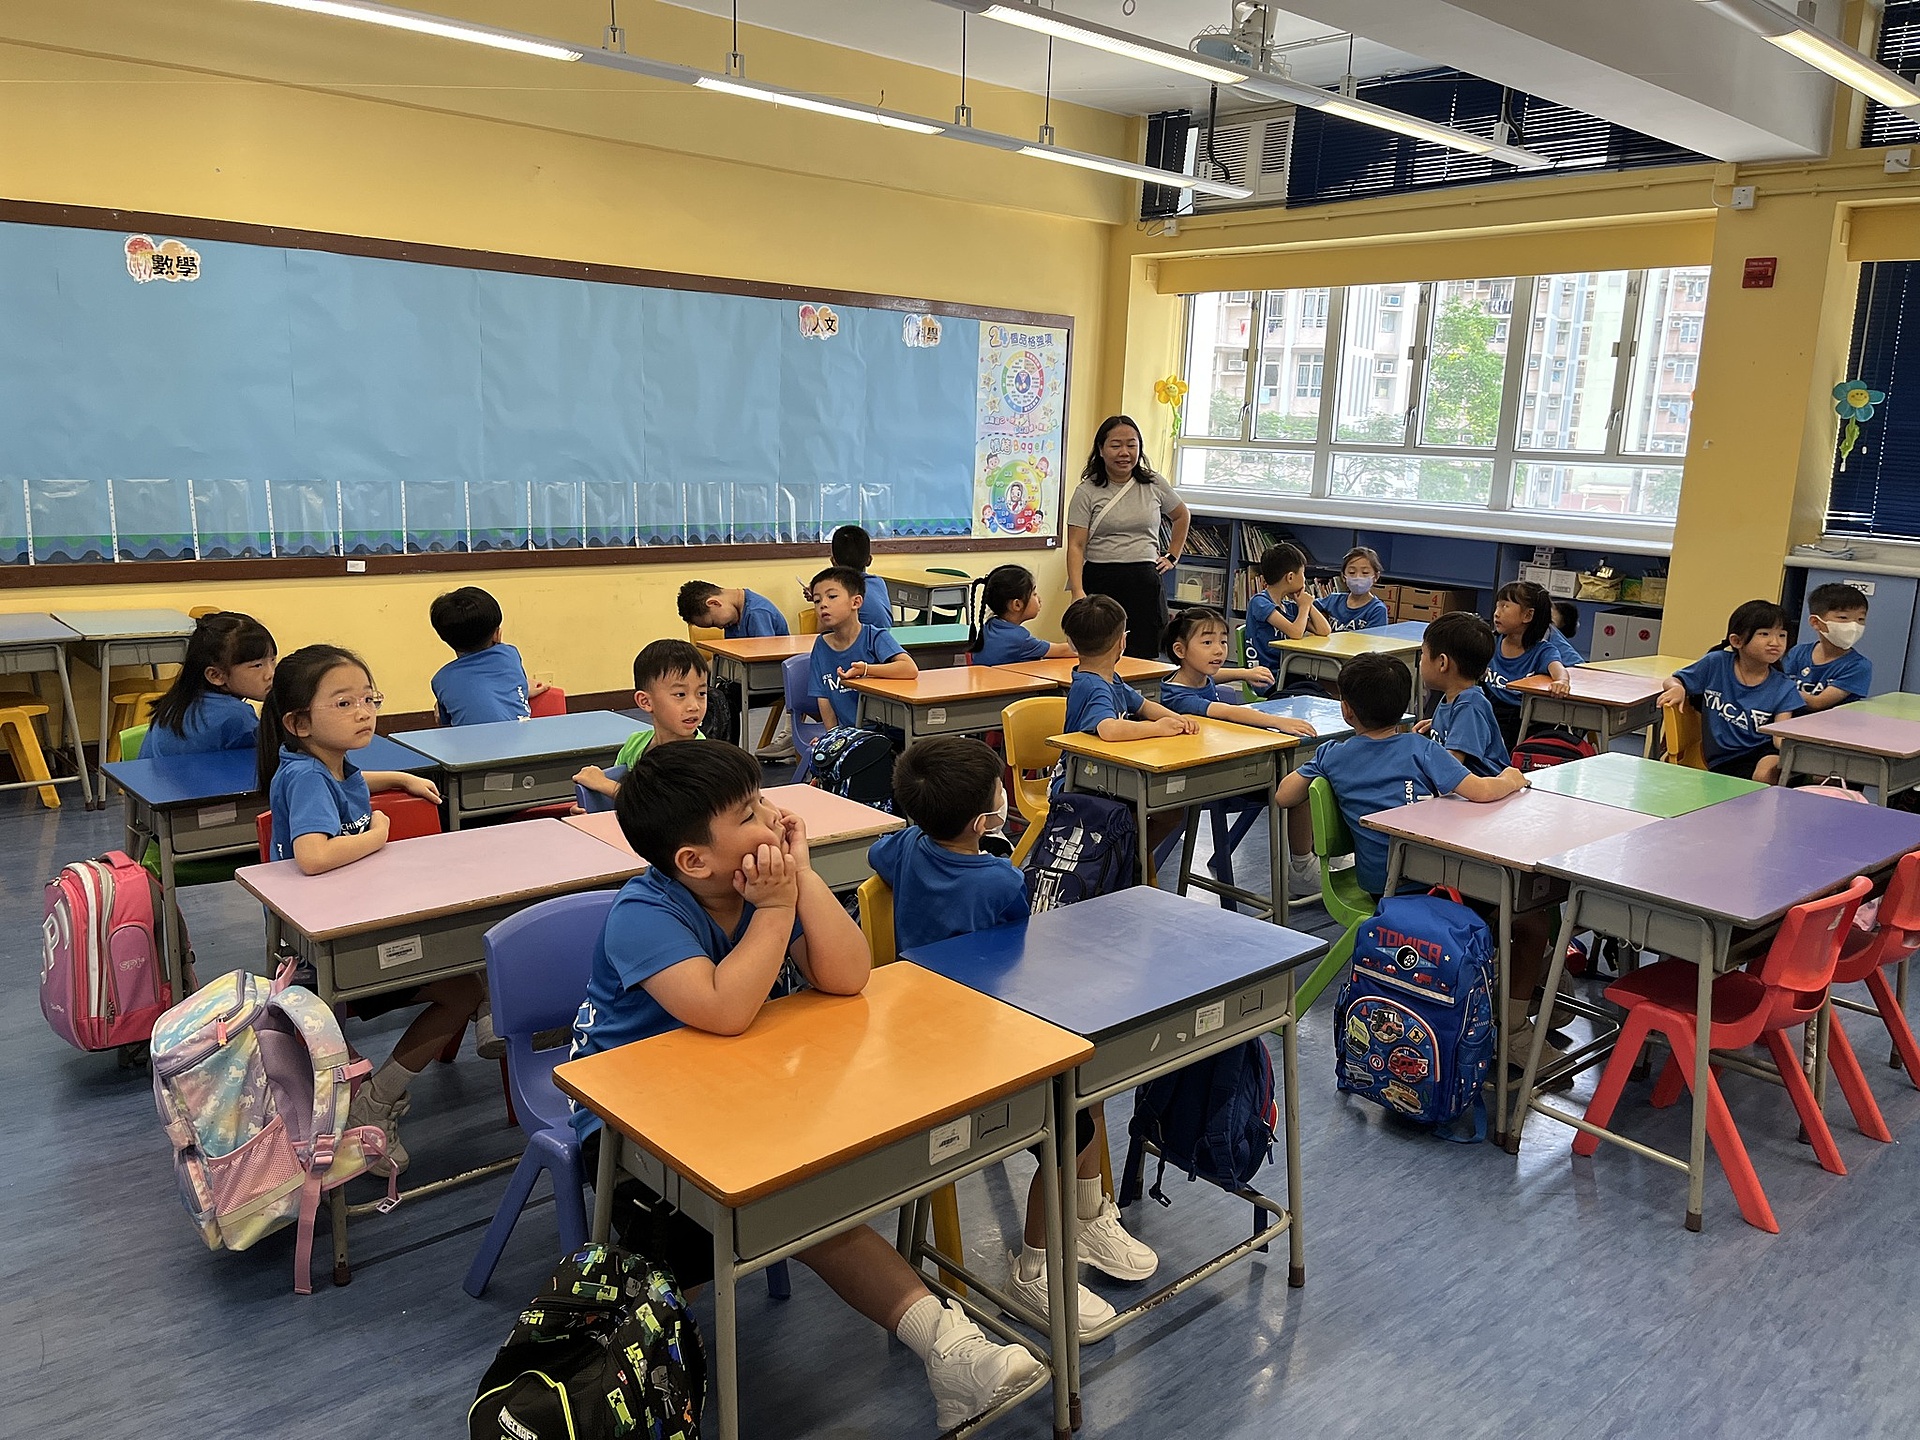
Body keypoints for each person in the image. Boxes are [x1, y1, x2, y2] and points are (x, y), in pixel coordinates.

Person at [568, 742, 1042, 1430]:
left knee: (806, 1199)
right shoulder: (645, 912)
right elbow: (725, 1009)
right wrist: (775, 906)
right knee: (695, 1255)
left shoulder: (756, 887)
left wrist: (803, 879)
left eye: (761, 798)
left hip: (737, 1090)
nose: (772, 817)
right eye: (748, 814)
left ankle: (951, 1351)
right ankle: (630, 1380)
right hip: (628, 1123)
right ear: (694, 861)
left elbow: (848, 976)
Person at [871, 736, 1158, 1336]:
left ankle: (1085, 1217)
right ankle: (1033, 1267)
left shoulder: (907, 847)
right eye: (999, 790)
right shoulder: (1000, 882)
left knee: (1084, 1072)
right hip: (973, 1044)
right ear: (984, 820)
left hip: (920, 1029)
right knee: (1075, 1115)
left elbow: (880, 852)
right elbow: (1018, 948)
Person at [258, 644, 478, 1175]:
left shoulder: (325, 766)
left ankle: (493, 1015)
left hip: (358, 923)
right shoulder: (306, 777)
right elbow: (314, 856)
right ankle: (376, 1103)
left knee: (473, 950)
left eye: (368, 699)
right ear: (298, 723)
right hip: (331, 952)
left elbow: (350, 784)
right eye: (344, 703)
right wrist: (378, 834)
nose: (363, 712)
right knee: (466, 981)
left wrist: (398, 779)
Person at [1274, 655, 1557, 1064]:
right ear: (1405, 704)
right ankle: (1513, 1030)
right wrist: (1511, 778)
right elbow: (1481, 792)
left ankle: (1521, 998)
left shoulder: (1333, 754)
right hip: (1428, 886)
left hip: (1379, 883)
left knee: (1514, 910)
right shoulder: (1419, 748)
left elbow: (1284, 796)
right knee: (1532, 918)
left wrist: (1317, 770)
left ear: (1346, 710)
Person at [1059, 595, 1196, 851]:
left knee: (1171, 813)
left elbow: (1143, 705)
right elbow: (1109, 729)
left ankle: (1129, 862)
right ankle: (1126, 862)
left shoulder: (1111, 679)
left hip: (1107, 775)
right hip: (1080, 782)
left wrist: (1176, 719)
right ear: (1122, 641)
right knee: (1147, 815)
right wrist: (1157, 729)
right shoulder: (1094, 686)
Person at [1065, 415, 1189, 661]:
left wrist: (1172, 555)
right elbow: (1076, 545)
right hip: (1101, 581)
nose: (1124, 452)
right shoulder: (1086, 491)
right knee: (1099, 653)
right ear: (1101, 449)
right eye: (1116, 445)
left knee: (1143, 655)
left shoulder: (1154, 483)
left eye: (1132, 445)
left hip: (1144, 582)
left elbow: (1181, 515)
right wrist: (1077, 591)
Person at [1659, 600, 1802, 782]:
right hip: (1723, 760)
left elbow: (1778, 739)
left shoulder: (1784, 686)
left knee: (1765, 773)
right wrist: (1677, 688)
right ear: (1736, 641)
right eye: (1764, 634)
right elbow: (1674, 679)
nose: (1775, 642)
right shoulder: (1715, 663)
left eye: (1782, 635)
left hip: (1762, 751)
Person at [575, 640, 708, 799]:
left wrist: (604, 785)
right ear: (646, 702)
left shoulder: (701, 755)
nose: (694, 706)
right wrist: (594, 806)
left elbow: (662, 806)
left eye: (701, 693)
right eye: (680, 694)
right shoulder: (635, 744)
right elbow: (620, 797)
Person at [143, 611, 276, 758]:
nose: (271, 674)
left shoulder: (177, 701)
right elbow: (267, 763)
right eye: (257, 665)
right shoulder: (237, 716)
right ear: (216, 675)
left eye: (272, 660)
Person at [808, 566, 918, 726]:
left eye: (832, 597)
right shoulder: (821, 645)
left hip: (883, 729)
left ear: (856, 602)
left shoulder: (874, 637)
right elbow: (823, 697)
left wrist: (866, 670)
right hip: (850, 734)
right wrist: (831, 735)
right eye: (817, 600)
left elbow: (909, 669)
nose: (823, 604)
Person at [428, 585, 548, 726]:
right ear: (497, 635)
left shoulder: (441, 679)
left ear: (444, 638)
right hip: (523, 738)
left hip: (474, 741)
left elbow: (442, 720)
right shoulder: (510, 655)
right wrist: (523, 689)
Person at [1414, 611, 1511, 777]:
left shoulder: (1469, 705)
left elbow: (1450, 769)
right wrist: (1444, 724)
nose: (1421, 661)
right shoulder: (1455, 698)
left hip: (1484, 790)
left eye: (1423, 654)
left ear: (1442, 663)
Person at [1482, 581, 1573, 750]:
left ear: (1528, 616)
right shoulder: (1490, 642)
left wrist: (1562, 682)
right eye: (1497, 606)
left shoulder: (1542, 650)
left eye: (1505, 606)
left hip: (1518, 718)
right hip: (1488, 711)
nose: (1496, 613)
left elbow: (1558, 669)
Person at [1244, 543, 1329, 683]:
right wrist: (1304, 606)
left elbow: (1324, 630)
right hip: (1267, 678)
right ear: (1290, 577)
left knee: (1322, 683)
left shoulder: (1288, 607)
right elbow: (1295, 633)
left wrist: (1308, 604)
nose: (1304, 579)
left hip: (1287, 671)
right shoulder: (1259, 602)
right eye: (1303, 574)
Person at [1783, 582, 1872, 712]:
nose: (1853, 626)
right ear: (1816, 622)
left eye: (1860, 619)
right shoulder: (1798, 652)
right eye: (1843, 617)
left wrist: (1780, 692)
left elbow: (1818, 703)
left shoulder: (1858, 666)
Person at [967, 564, 1073, 665]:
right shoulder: (1018, 639)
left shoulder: (990, 626)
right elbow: (1064, 651)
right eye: (1034, 594)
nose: (1039, 599)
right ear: (1017, 605)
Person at [831, 524, 894, 631]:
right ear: (869, 560)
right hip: (886, 638)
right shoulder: (879, 582)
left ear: (833, 562)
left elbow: (822, 631)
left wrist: (821, 598)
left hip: (862, 641)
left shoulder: (840, 591)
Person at [676, 581, 789, 639]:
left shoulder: (758, 613)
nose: (720, 627)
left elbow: (762, 661)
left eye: (714, 623)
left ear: (714, 603)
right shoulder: (733, 617)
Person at [1314, 548, 1391, 633]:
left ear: (1376, 576)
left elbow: (1374, 639)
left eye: (1365, 573)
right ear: (1343, 576)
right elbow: (1310, 606)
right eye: (1351, 572)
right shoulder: (1333, 600)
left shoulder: (1377, 609)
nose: (1358, 577)